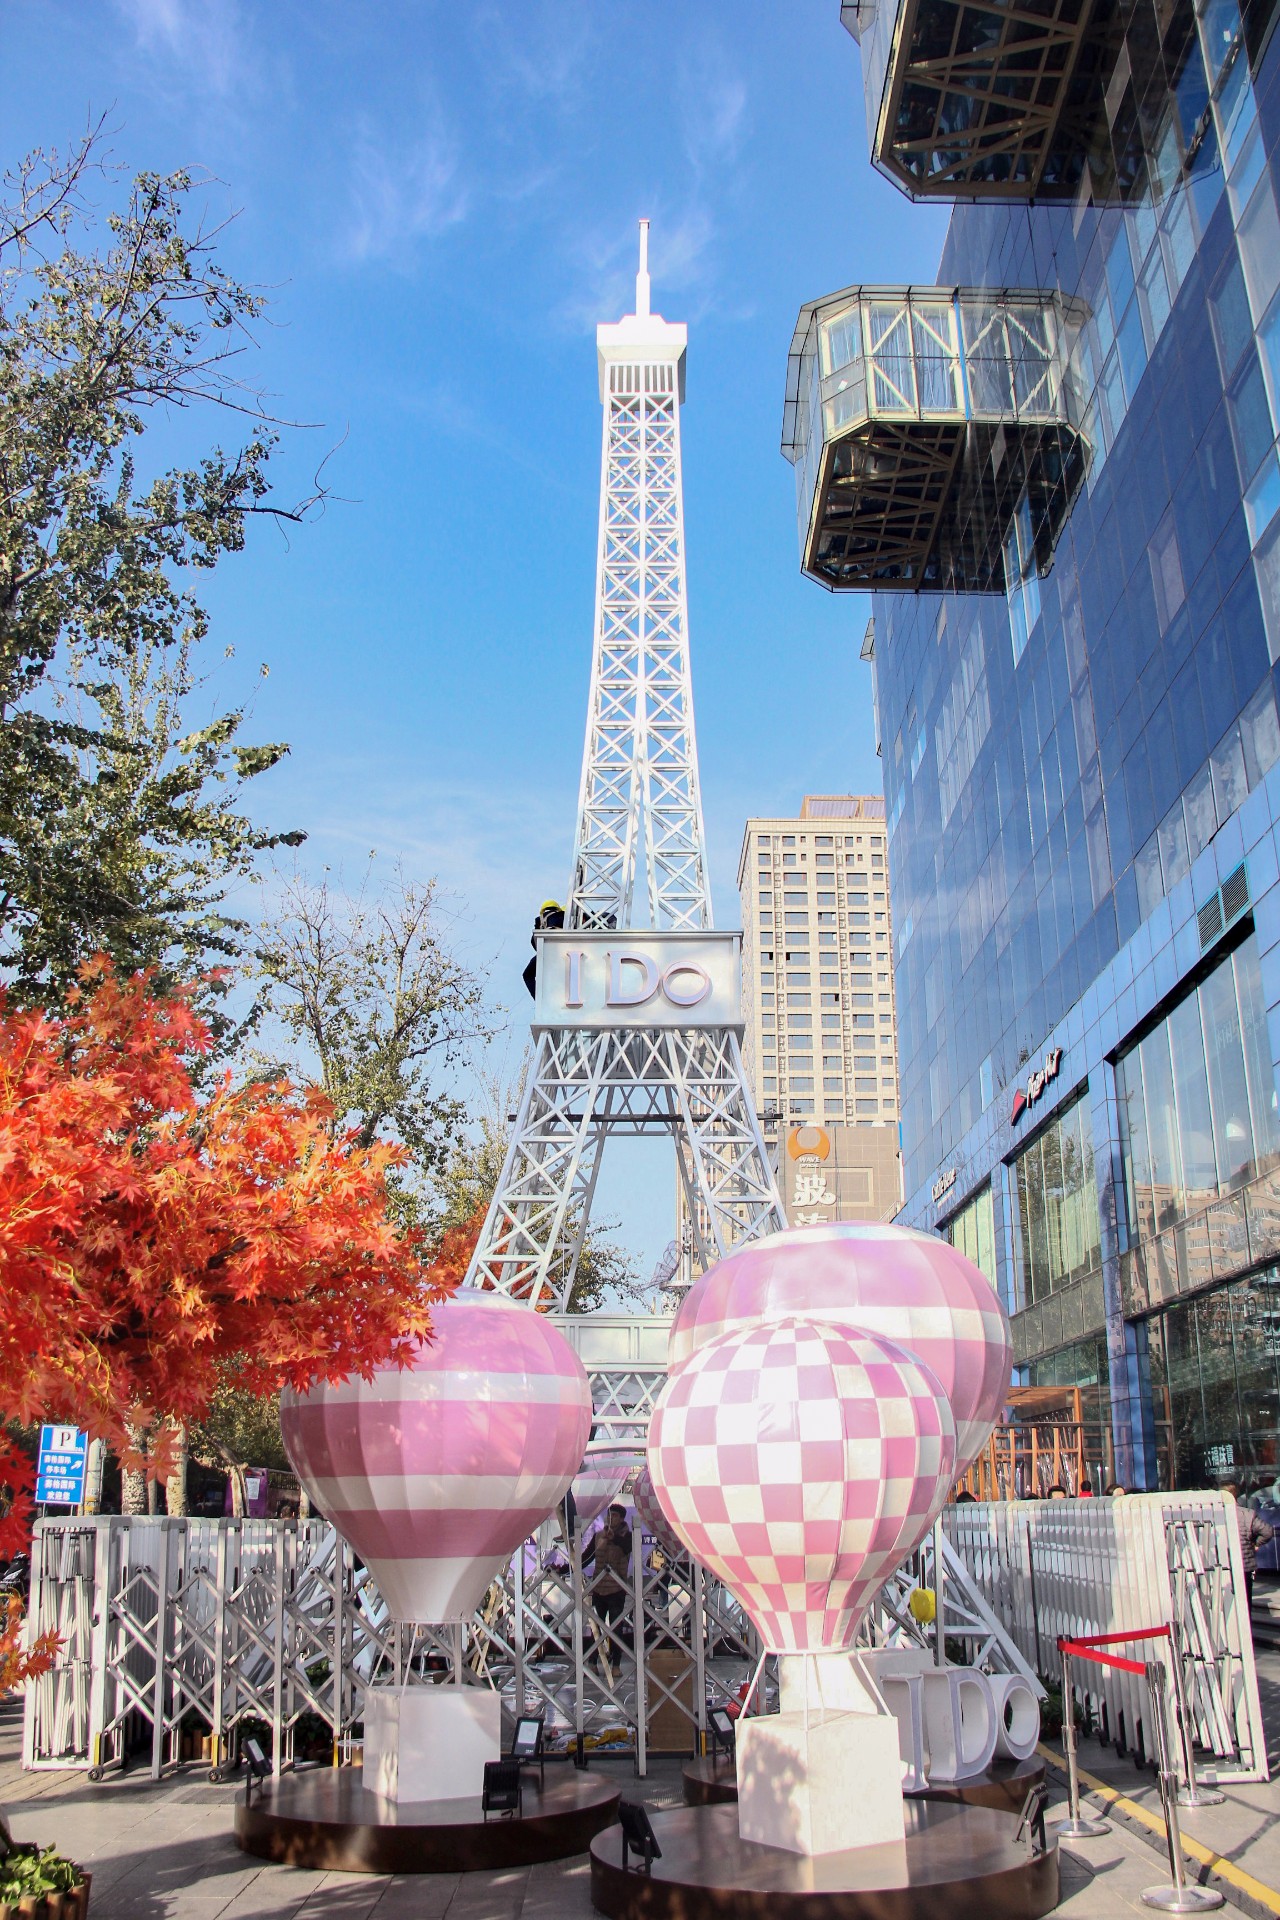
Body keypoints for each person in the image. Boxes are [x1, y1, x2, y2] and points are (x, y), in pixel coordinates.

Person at [582, 1503, 632, 1645]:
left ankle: (616, 1664)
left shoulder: (628, 1536)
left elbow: (627, 1547)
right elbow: (586, 1557)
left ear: (622, 1519)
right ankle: (593, 1662)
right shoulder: (598, 1536)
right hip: (599, 1587)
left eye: (614, 1515)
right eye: (609, 1515)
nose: (610, 1518)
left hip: (617, 1588)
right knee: (595, 1627)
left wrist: (613, 1538)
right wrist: (565, 1569)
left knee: (616, 1628)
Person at [1223, 1483, 1274, 1620]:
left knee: (1229, 1607)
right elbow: (1268, 1531)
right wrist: (1255, 1544)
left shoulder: (1216, 1515)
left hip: (1224, 1567)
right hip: (1244, 1565)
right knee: (1245, 1604)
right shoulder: (1247, 1514)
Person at [522, 899, 565, 998]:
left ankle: (539, 999)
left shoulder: (540, 920)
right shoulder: (566, 917)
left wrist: (540, 953)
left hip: (548, 950)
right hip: (569, 951)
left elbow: (534, 941)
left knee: (527, 975)